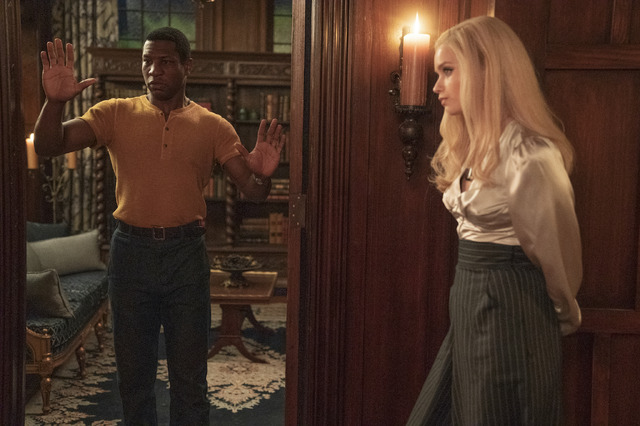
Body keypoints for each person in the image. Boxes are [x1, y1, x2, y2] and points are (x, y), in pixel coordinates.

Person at [34, 27, 285, 425]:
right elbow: (48, 145)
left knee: (190, 380)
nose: (154, 70)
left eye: (166, 62)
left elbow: (252, 191)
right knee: (134, 379)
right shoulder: (114, 112)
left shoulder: (214, 125)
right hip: (130, 254)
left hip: (186, 256)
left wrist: (265, 175)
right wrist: (53, 103)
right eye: (147, 61)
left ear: (187, 66)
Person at [406, 16, 582, 425]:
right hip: (471, 300)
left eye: (448, 71)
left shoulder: (531, 156)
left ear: (486, 71)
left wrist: (562, 311)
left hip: (511, 305)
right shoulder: (473, 147)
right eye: (438, 73)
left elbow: (558, 252)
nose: (436, 87)